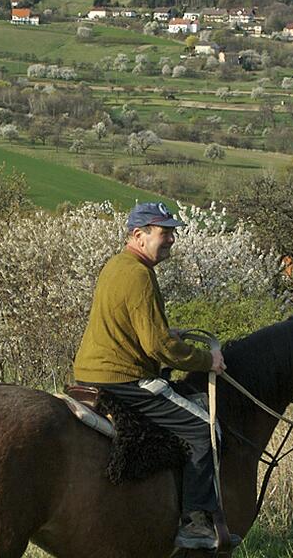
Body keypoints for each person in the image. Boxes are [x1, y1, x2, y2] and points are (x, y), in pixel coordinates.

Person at [72, 202, 228, 551]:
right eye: (164, 232)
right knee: (206, 429)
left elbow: (134, 328)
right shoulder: (139, 274)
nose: (171, 238)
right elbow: (158, 346)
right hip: (124, 378)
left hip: (92, 370)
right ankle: (194, 523)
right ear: (138, 235)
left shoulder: (117, 265)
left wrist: (169, 331)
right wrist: (208, 360)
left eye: (172, 231)